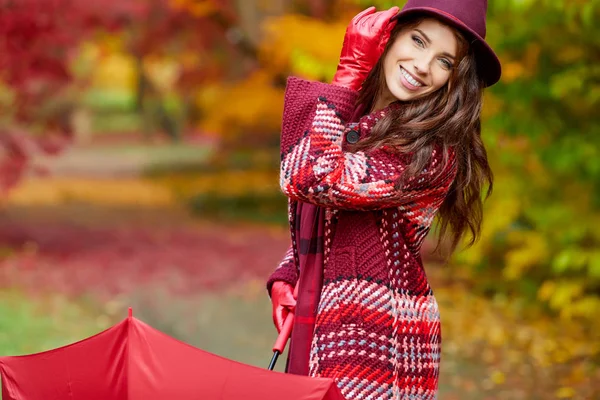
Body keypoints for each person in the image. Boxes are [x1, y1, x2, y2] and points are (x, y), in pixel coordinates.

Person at [266, 0, 501, 398]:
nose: (423, 65)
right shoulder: (351, 119)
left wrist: (347, 74)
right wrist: (288, 275)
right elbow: (329, 216)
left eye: (445, 61)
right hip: (320, 321)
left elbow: (311, 177)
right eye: (418, 40)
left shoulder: (428, 152)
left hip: (374, 347)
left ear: (454, 79)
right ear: (388, 37)